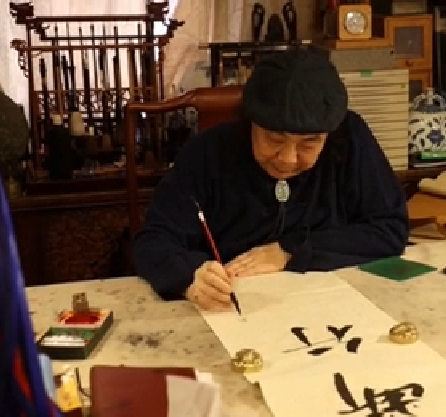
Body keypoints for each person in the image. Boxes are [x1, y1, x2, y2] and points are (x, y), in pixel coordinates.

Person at [133, 48, 409, 311]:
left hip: (330, 307)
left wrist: (292, 250)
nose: (288, 159)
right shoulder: (207, 153)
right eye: (275, 139)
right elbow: (154, 241)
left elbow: (390, 229)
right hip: (231, 311)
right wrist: (189, 275)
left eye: (309, 143)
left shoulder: (349, 139)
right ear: (250, 122)